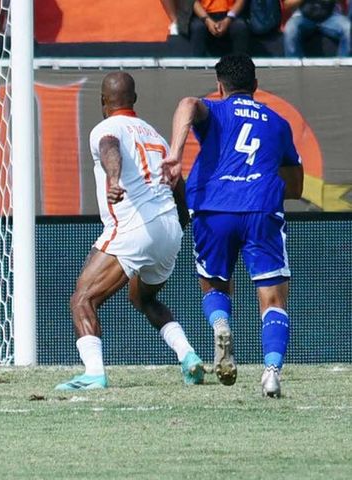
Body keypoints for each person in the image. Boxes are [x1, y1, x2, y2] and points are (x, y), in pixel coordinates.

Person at [162, 54, 304, 398]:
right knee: (273, 298)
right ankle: (271, 373)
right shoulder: (278, 122)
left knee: (214, 286)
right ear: (256, 87)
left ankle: (221, 325)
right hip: (260, 207)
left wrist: (177, 154)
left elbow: (187, 103)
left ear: (219, 86)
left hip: (214, 206)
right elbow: (297, 187)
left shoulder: (216, 110)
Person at [55, 72, 205, 392]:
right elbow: (178, 184)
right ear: (134, 99)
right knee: (143, 297)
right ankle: (188, 355)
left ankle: (94, 373)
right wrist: (181, 223)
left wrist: (114, 180)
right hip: (169, 229)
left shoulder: (105, 129)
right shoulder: (157, 137)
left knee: (82, 299)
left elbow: (111, 148)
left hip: (135, 226)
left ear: (103, 102)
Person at [283, 0, 350, 57]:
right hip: (303, 17)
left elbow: (343, 2)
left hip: (330, 16)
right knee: (290, 29)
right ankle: (295, 70)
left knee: (348, 28)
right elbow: (287, 4)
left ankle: (343, 69)